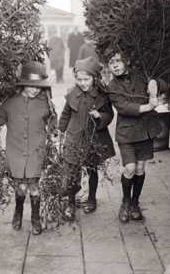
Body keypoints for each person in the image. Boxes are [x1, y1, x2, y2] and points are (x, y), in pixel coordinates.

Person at [0, 61, 57, 235]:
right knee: (21, 187)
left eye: (38, 87)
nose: (34, 90)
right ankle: (18, 212)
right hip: (16, 150)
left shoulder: (45, 102)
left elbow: (52, 120)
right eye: (30, 86)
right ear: (22, 84)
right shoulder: (11, 102)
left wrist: (55, 131)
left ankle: (35, 218)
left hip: (36, 150)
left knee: (34, 186)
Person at [107, 53, 165, 223]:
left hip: (145, 130)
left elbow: (162, 83)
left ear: (126, 61)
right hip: (127, 133)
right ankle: (125, 202)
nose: (115, 66)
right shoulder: (112, 86)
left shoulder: (141, 75)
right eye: (111, 63)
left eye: (118, 61)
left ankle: (135, 203)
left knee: (140, 168)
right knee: (130, 168)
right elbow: (125, 108)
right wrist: (149, 106)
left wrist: (155, 83)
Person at [59, 57, 115, 221]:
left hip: (93, 139)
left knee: (92, 169)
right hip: (74, 138)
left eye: (86, 79)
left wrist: (100, 116)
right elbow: (65, 115)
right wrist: (60, 131)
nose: (83, 83)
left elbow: (109, 114)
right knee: (72, 172)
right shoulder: (72, 94)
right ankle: (70, 202)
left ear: (94, 78)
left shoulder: (102, 96)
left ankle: (91, 198)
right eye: (79, 79)